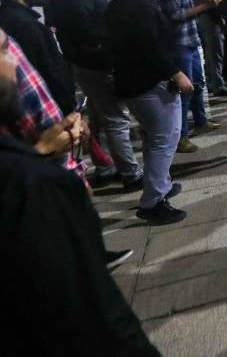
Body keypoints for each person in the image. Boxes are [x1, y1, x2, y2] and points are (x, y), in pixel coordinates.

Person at [0, 86, 159, 355]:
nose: (15, 65)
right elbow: (91, 310)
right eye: (7, 55)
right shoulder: (27, 185)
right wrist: (40, 158)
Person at [107, 0, 193, 224]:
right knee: (164, 139)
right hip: (148, 83)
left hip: (141, 81)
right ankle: (153, 201)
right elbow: (149, 46)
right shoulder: (132, 5)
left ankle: (160, 185)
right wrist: (175, 73)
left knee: (154, 138)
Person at [59, 0, 143, 190]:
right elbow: (87, 32)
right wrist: (107, 44)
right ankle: (131, 173)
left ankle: (106, 167)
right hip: (97, 66)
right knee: (117, 119)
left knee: (99, 119)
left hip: (88, 65)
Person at [159, 0, 221, 153]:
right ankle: (181, 136)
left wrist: (203, 1)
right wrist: (206, 6)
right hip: (180, 43)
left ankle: (201, 121)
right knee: (184, 90)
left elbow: (187, 6)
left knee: (198, 84)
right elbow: (175, 15)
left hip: (191, 41)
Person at [0, 0, 76, 116]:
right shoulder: (26, 26)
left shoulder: (9, 17)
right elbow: (48, 71)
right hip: (52, 109)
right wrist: (69, 107)